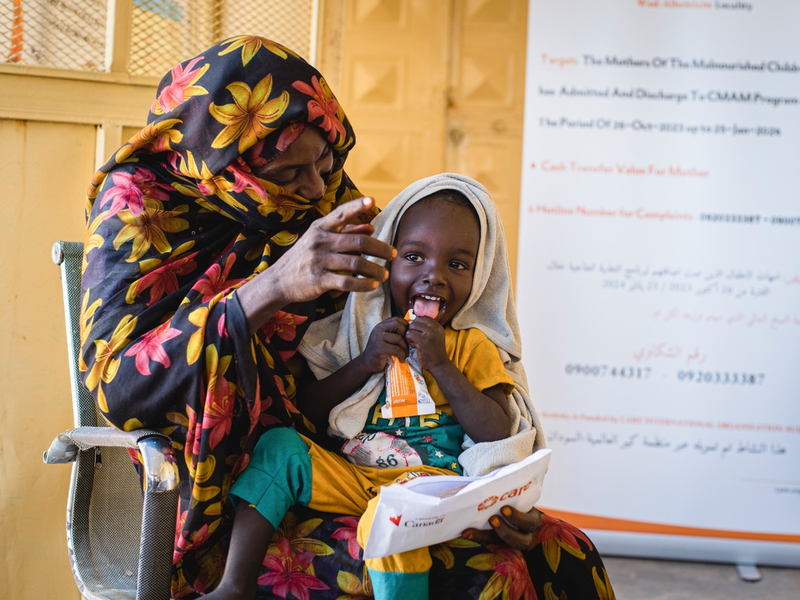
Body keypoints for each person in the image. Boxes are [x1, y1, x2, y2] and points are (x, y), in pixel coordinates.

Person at [79, 36, 615, 599]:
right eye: (288, 175)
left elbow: (411, 298)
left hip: (376, 470)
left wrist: (507, 499)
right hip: (230, 498)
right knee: (483, 574)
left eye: (328, 159)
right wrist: (275, 285)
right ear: (227, 168)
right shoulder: (139, 212)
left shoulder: (323, 198)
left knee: (564, 549)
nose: (316, 189)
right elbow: (125, 387)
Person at [207, 186, 515, 600]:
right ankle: (234, 586)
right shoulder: (360, 334)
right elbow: (309, 414)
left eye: (457, 264)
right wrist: (363, 364)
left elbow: (497, 431)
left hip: (428, 485)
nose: (434, 275)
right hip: (353, 475)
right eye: (413, 257)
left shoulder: (470, 346)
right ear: (385, 260)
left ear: (479, 279)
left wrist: (442, 366)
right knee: (281, 445)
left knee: (394, 517)